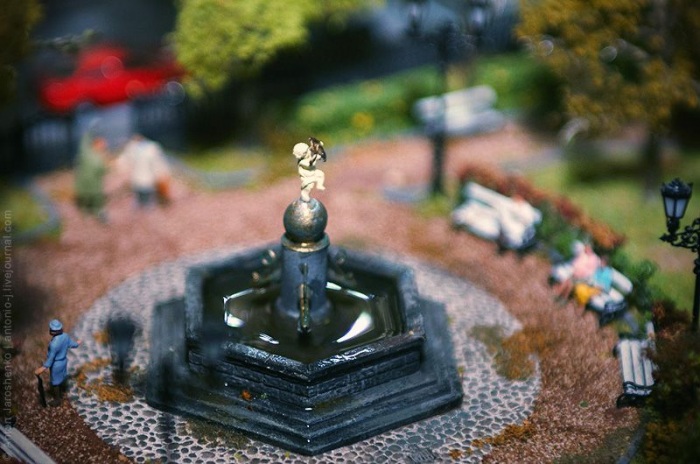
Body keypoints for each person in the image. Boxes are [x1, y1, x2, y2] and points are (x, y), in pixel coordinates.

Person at [34, 319, 82, 407]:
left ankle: (57, 400)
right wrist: (77, 343)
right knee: (61, 376)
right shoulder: (65, 336)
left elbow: (51, 359)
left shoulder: (54, 344)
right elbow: (73, 344)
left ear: (52, 331)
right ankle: (62, 389)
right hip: (64, 361)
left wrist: (43, 368)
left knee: (55, 382)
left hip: (56, 364)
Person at [117, 133, 171, 208]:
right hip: (138, 177)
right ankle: (142, 205)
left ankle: (147, 205)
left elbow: (158, 162)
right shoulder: (132, 148)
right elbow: (124, 159)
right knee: (139, 193)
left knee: (147, 193)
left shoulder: (152, 148)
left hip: (148, 177)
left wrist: (161, 173)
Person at [74, 132, 109, 221]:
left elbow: (102, 170)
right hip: (85, 182)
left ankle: (98, 213)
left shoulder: (100, 156)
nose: (104, 146)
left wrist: (107, 168)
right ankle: (85, 213)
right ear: (96, 144)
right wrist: (89, 132)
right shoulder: (87, 153)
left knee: (97, 199)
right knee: (85, 198)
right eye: (102, 144)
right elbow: (83, 143)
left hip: (96, 184)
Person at [293, 137, 326, 202]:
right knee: (308, 186)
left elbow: (312, 149)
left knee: (321, 174)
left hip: (313, 172)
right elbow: (310, 164)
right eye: (306, 152)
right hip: (307, 176)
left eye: (308, 150)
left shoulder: (308, 155)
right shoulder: (302, 162)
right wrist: (316, 157)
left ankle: (319, 185)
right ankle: (304, 195)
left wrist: (318, 146)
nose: (309, 152)